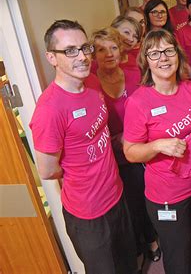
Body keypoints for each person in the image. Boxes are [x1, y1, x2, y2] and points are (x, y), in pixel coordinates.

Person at [29, 20, 136, 274]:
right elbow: (47, 170)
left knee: (129, 264)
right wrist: (82, 171)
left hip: (117, 195)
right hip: (88, 214)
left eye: (84, 48)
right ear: (51, 58)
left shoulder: (92, 84)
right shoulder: (49, 110)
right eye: (70, 51)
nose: (82, 57)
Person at [123, 29, 191, 274]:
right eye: (154, 53)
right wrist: (158, 145)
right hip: (167, 194)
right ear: (146, 61)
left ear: (178, 54)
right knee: (177, 254)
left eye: (168, 50)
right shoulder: (138, 102)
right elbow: (130, 152)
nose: (163, 58)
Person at [91, 27, 161, 269]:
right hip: (106, 156)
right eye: (101, 49)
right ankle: (136, 247)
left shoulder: (134, 73)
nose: (108, 54)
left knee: (141, 196)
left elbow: (149, 107)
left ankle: (151, 239)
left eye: (113, 47)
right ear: (93, 54)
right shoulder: (89, 82)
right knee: (123, 207)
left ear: (120, 49)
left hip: (137, 150)